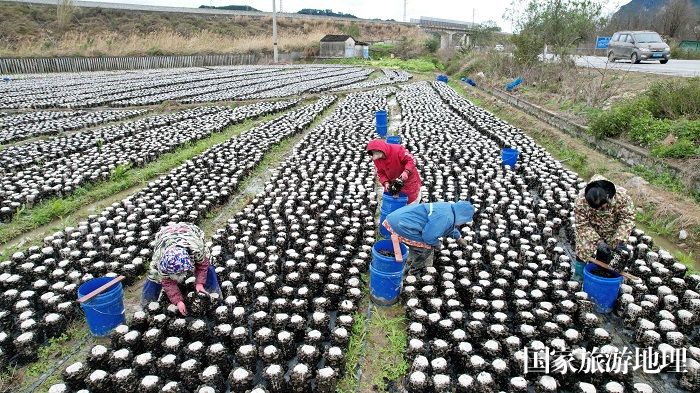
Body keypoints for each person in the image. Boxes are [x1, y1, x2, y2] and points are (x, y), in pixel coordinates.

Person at [141, 222, 221, 315]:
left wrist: (199, 283)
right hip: (165, 236)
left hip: (189, 232)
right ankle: (147, 305)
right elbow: (167, 282)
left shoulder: (196, 249)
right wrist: (178, 301)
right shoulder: (160, 260)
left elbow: (202, 265)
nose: (180, 276)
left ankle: (214, 295)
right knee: (154, 275)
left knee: (208, 265)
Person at [383, 201, 475, 274]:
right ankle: (414, 271)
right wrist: (437, 244)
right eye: (465, 220)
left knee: (421, 246)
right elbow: (428, 237)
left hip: (399, 218)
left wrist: (458, 237)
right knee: (425, 248)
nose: (463, 223)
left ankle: (410, 260)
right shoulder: (445, 218)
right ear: (462, 216)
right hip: (403, 225)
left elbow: (447, 227)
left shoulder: (449, 209)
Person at [574, 175, 635, 272]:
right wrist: (598, 242)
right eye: (596, 208)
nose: (600, 210)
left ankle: (601, 271)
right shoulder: (581, 201)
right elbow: (582, 225)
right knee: (583, 248)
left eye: (602, 208)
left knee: (608, 254)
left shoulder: (622, 196)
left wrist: (620, 240)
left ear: (608, 197)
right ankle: (579, 273)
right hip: (590, 229)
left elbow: (627, 219)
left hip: (612, 228)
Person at [366, 139, 423, 204]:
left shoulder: (397, 149)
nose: (375, 155)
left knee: (411, 203)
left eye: (376, 152)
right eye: (373, 153)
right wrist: (386, 183)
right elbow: (380, 173)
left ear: (380, 150)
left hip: (409, 180)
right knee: (395, 203)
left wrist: (406, 171)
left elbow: (411, 160)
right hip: (394, 183)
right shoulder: (377, 159)